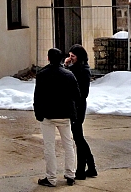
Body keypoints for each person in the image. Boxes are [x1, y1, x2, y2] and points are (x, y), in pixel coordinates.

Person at [33, 48, 80, 187]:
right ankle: (70, 174)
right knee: (68, 145)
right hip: (65, 114)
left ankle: (51, 177)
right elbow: (77, 95)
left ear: (48, 58)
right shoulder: (69, 75)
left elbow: (38, 96)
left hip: (48, 115)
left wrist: (38, 113)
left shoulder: (42, 75)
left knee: (49, 147)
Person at [64, 44, 98, 179]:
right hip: (76, 106)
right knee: (79, 138)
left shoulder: (82, 70)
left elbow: (82, 92)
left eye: (73, 56)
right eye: (70, 56)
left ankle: (81, 170)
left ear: (79, 57)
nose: (70, 58)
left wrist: (67, 68)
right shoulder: (76, 68)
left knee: (78, 138)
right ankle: (90, 167)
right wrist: (67, 66)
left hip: (78, 107)